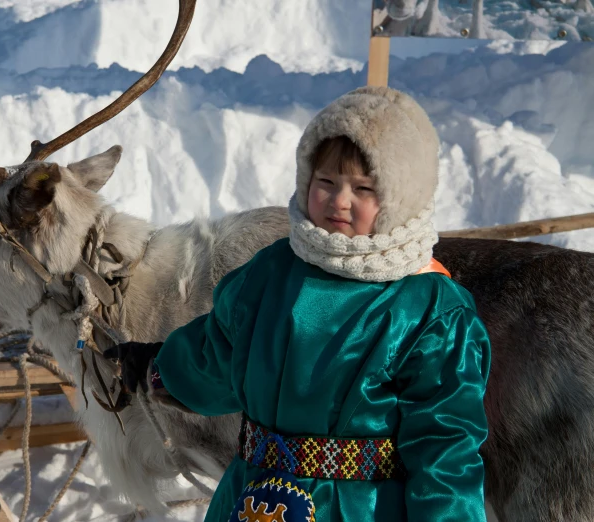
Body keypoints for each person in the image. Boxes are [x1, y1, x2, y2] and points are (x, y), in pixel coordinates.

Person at [107, 86, 491, 522]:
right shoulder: (271, 273)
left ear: (400, 197)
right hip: (252, 500)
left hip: (359, 509)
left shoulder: (428, 309)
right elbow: (218, 355)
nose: (339, 200)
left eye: (363, 188)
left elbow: (445, 448)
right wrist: (159, 367)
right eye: (326, 181)